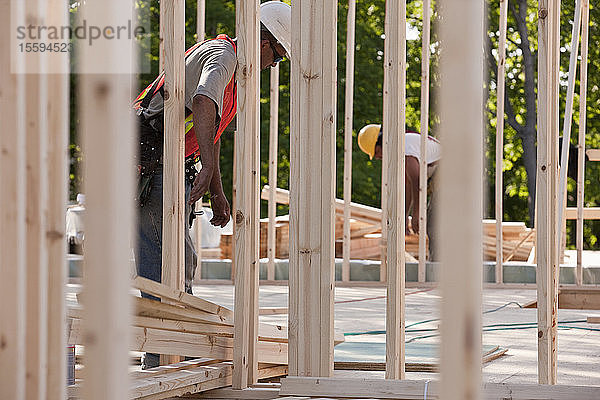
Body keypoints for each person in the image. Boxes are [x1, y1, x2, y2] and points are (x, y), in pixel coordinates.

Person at [132, 1, 291, 369]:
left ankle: (177, 346)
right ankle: (162, 355)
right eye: (278, 57)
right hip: (148, 159)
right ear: (263, 42)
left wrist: (217, 188)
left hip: (169, 163)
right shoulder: (224, 56)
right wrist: (204, 168)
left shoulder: (235, 75)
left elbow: (212, 131)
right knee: (160, 261)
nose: (273, 66)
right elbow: (203, 101)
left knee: (181, 259)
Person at [357, 124, 441, 259]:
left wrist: (417, 213)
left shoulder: (403, 146)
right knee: (435, 223)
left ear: (381, 141)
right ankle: (438, 267)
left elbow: (417, 180)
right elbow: (409, 186)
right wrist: (405, 217)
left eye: (376, 151)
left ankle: (439, 269)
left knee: (436, 223)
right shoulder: (401, 150)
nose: (378, 157)